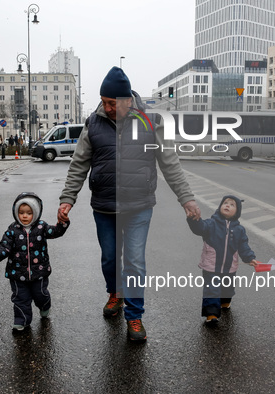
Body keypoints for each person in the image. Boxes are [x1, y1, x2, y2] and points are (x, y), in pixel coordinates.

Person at [57, 66, 201, 342]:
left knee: (134, 261)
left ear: (126, 101)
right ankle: (115, 293)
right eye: (103, 101)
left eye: (111, 102)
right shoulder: (93, 122)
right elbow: (79, 164)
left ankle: (134, 316)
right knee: (110, 258)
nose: (106, 107)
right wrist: (67, 199)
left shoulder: (150, 121)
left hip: (139, 206)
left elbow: (169, 163)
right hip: (104, 205)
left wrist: (187, 198)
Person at [0, 192, 69, 331]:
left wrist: (62, 223)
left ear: (36, 212)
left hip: (38, 272)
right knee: (20, 298)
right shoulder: (12, 229)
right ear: (16, 213)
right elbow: (5, 245)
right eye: (21, 213)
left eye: (28, 212)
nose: (24, 216)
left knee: (41, 294)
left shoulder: (41, 227)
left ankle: (45, 306)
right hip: (17, 272)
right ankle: (21, 321)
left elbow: (55, 231)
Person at [187, 195, 258, 325]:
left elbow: (243, 246)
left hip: (230, 266)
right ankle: (212, 314)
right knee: (212, 289)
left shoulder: (239, 229)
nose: (227, 205)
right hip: (211, 265)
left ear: (237, 212)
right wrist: (193, 219)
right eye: (225, 203)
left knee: (227, 287)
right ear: (220, 206)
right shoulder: (211, 223)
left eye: (232, 205)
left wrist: (250, 258)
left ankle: (225, 301)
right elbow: (199, 228)